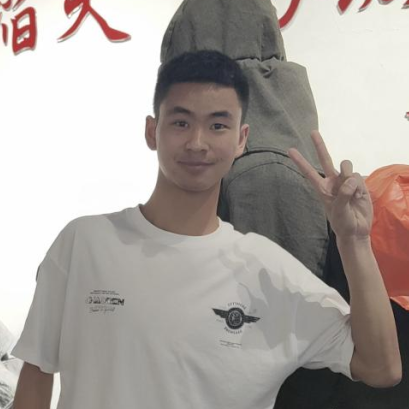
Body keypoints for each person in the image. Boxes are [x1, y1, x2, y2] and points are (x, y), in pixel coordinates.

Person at [11, 50, 401, 409]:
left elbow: (381, 367)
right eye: (181, 122)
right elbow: (37, 375)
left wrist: (355, 242)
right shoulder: (84, 243)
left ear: (241, 139)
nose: (197, 143)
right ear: (152, 131)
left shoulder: (268, 270)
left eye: (217, 125)